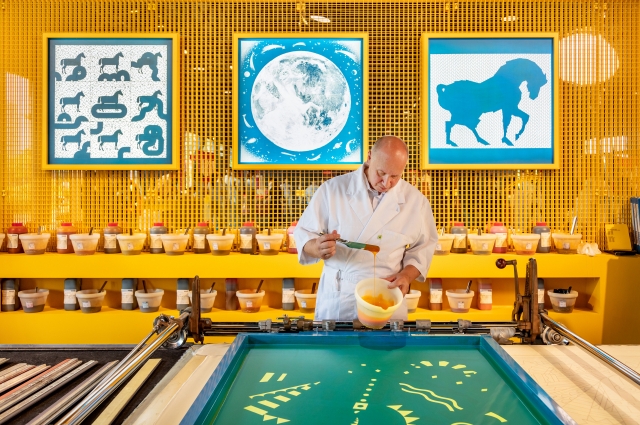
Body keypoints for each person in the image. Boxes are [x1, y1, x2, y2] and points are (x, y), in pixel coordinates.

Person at [294, 135, 438, 321]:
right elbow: (304, 235)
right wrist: (317, 247)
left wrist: (406, 276)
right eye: (381, 173)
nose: (386, 183)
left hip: (388, 297)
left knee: (387, 350)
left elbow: (423, 247)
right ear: (369, 157)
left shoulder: (415, 202)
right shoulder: (333, 190)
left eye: (395, 176)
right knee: (334, 350)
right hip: (340, 298)